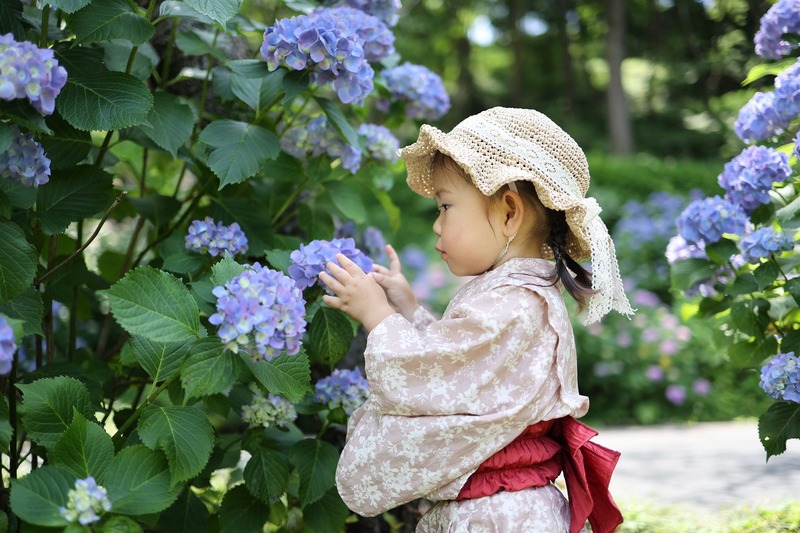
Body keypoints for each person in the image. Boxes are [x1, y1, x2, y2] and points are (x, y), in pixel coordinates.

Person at [318, 107, 634, 532]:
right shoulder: (514, 296)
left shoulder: (515, 304)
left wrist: (377, 314)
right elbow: (462, 375)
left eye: (446, 206)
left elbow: (430, 377)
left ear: (508, 213)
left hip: (494, 514)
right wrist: (408, 309)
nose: (436, 225)